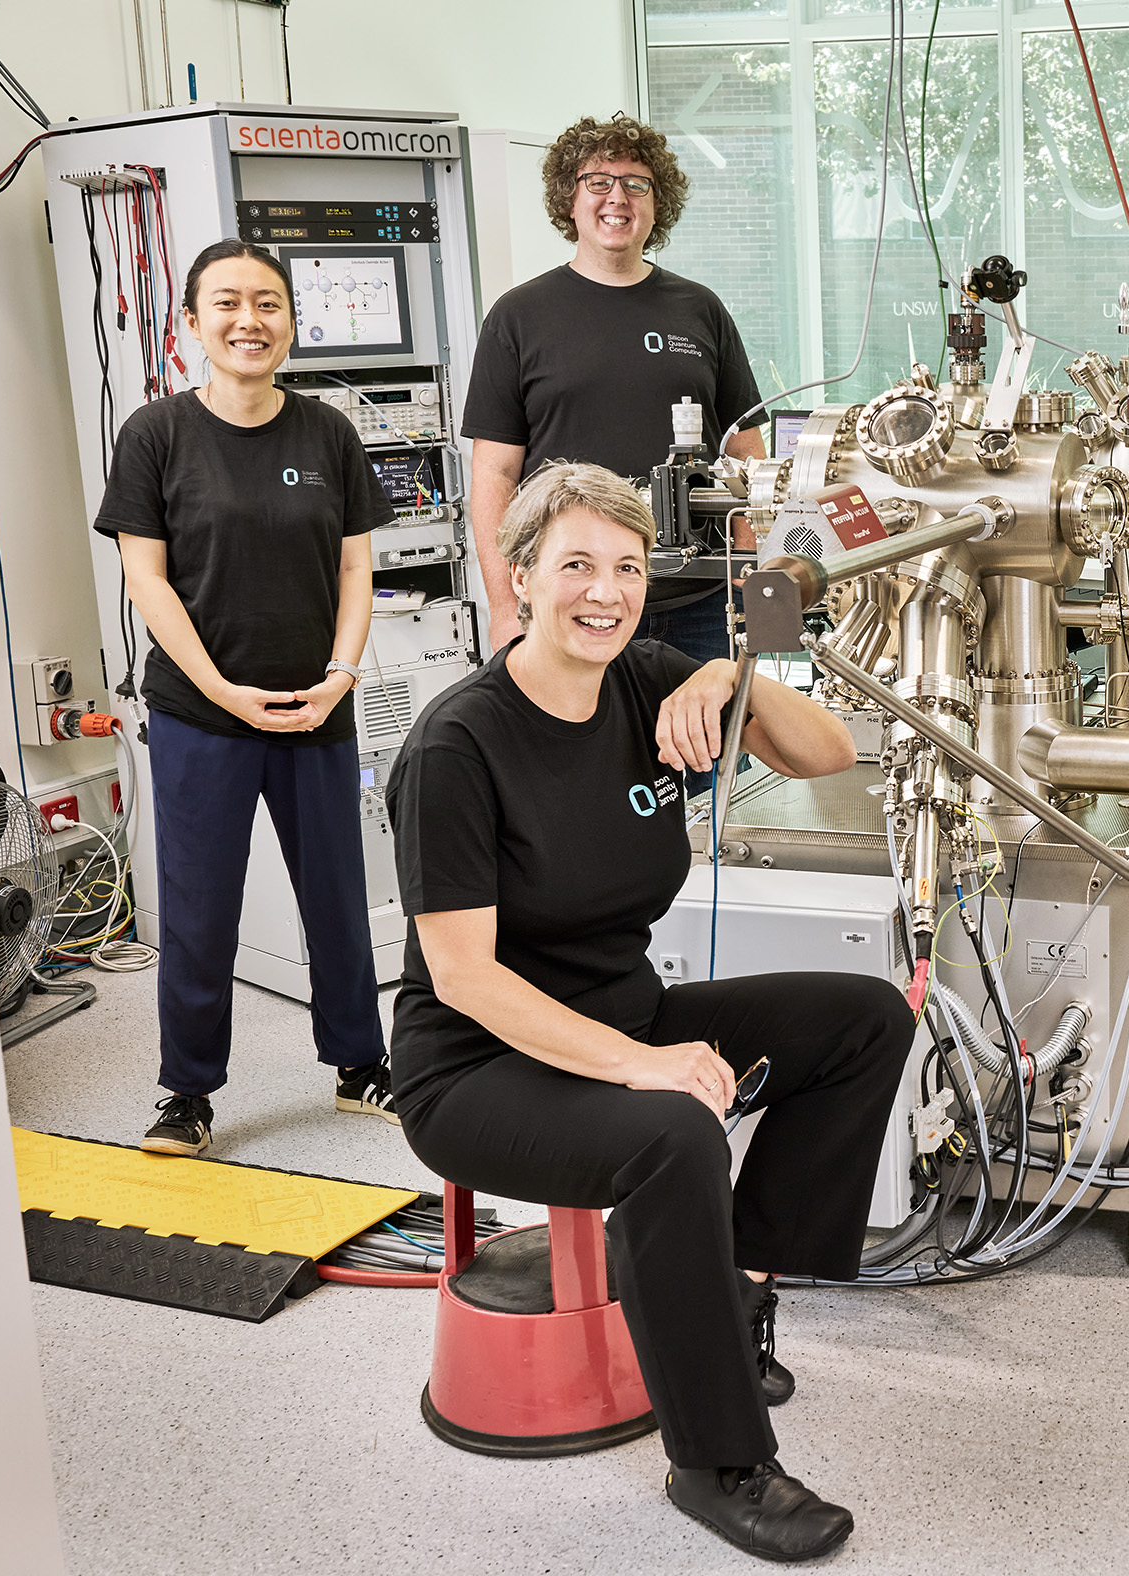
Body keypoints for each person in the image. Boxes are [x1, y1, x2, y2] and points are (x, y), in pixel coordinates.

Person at [386, 461, 909, 1563]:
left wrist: (730, 674)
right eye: (575, 564)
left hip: (624, 1013)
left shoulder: (646, 680)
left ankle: (737, 1292)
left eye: (626, 568)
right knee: (674, 1134)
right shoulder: (456, 746)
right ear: (520, 576)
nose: (605, 592)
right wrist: (642, 1064)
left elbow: (829, 753)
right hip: (475, 1067)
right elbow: (464, 976)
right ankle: (719, 1464)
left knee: (863, 1020)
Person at [94, 239, 392, 1158]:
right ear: (192, 323)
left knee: (337, 897)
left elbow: (355, 569)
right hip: (199, 714)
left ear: (291, 324)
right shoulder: (156, 434)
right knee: (200, 908)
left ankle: (360, 1065)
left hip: (316, 707)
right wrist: (221, 688)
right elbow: (146, 580)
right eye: (226, 303)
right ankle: (187, 1092)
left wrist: (341, 676)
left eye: (268, 303)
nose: (248, 321)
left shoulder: (328, 433)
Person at [462, 113, 766, 662]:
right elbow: (494, 475)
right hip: (573, 600)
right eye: (598, 182)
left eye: (636, 184)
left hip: (700, 601)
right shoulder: (518, 317)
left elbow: (746, 453)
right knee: (580, 723)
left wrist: (745, 567)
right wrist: (505, 609)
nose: (617, 198)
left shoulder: (700, 309)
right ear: (570, 200)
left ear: (658, 202)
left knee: (711, 722)